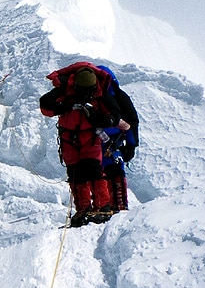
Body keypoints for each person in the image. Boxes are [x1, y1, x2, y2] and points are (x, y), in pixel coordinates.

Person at [39, 62, 130, 227]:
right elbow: (45, 104)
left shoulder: (100, 92)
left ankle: (102, 207)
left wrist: (98, 118)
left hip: (89, 138)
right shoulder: (66, 89)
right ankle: (84, 209)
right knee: (76, 174)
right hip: (70, 139)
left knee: (94, 171)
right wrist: (65, 107)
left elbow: (115, 115)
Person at [97, 65, 139, 213]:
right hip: (112, 142)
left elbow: (131, 123)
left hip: (102, 144)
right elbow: (132, 123)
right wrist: (131, 145)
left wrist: (132, 145)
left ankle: (107, 206)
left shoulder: (97, 98)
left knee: (106, 172)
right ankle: (117, 206)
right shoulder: (119, 97)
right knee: (113, 171)